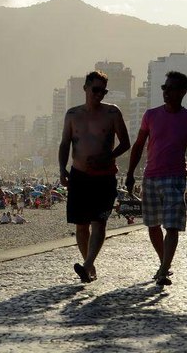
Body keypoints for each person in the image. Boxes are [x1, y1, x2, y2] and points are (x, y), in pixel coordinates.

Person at [126, 71, 187, 287]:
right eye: (164, 88)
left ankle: (164, 269)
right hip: (150, 177)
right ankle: (163, 265)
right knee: (152, 225)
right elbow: (139, 145)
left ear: (182, 91)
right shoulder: (150, 115)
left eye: (170, 88)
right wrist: (130, 174)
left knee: (172, 226)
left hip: (176, 178)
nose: (166, 92)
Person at [59, 70, 131, 283]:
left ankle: (88, 265)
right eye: (96, 89)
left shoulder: (112, 113)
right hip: (79, 175)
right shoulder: (72, 115)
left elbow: (125, 142)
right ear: (85, 88)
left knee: (99, 222)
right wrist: (62, 169)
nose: (99, 94)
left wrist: (107, 157)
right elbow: (65, 143)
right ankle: (88, 265)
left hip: (104, 176)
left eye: (103, 91)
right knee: (81, 225)